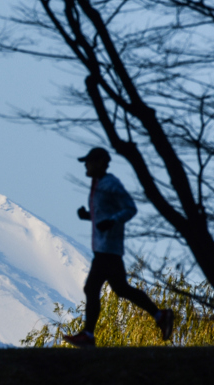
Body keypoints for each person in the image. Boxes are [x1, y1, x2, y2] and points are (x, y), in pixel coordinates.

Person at [62, 147, 174, 348]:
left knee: (92, 287)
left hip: (108, 248)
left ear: (98, 163)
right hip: (105, 248)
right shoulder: (98, 184)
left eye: (88, 162)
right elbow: (105, 214)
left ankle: (88, 334)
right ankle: (160, 315)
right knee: (121, 288)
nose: (85, 166)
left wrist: (112, 221)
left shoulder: (110, 184)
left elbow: (130, 208)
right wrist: (89, 216)